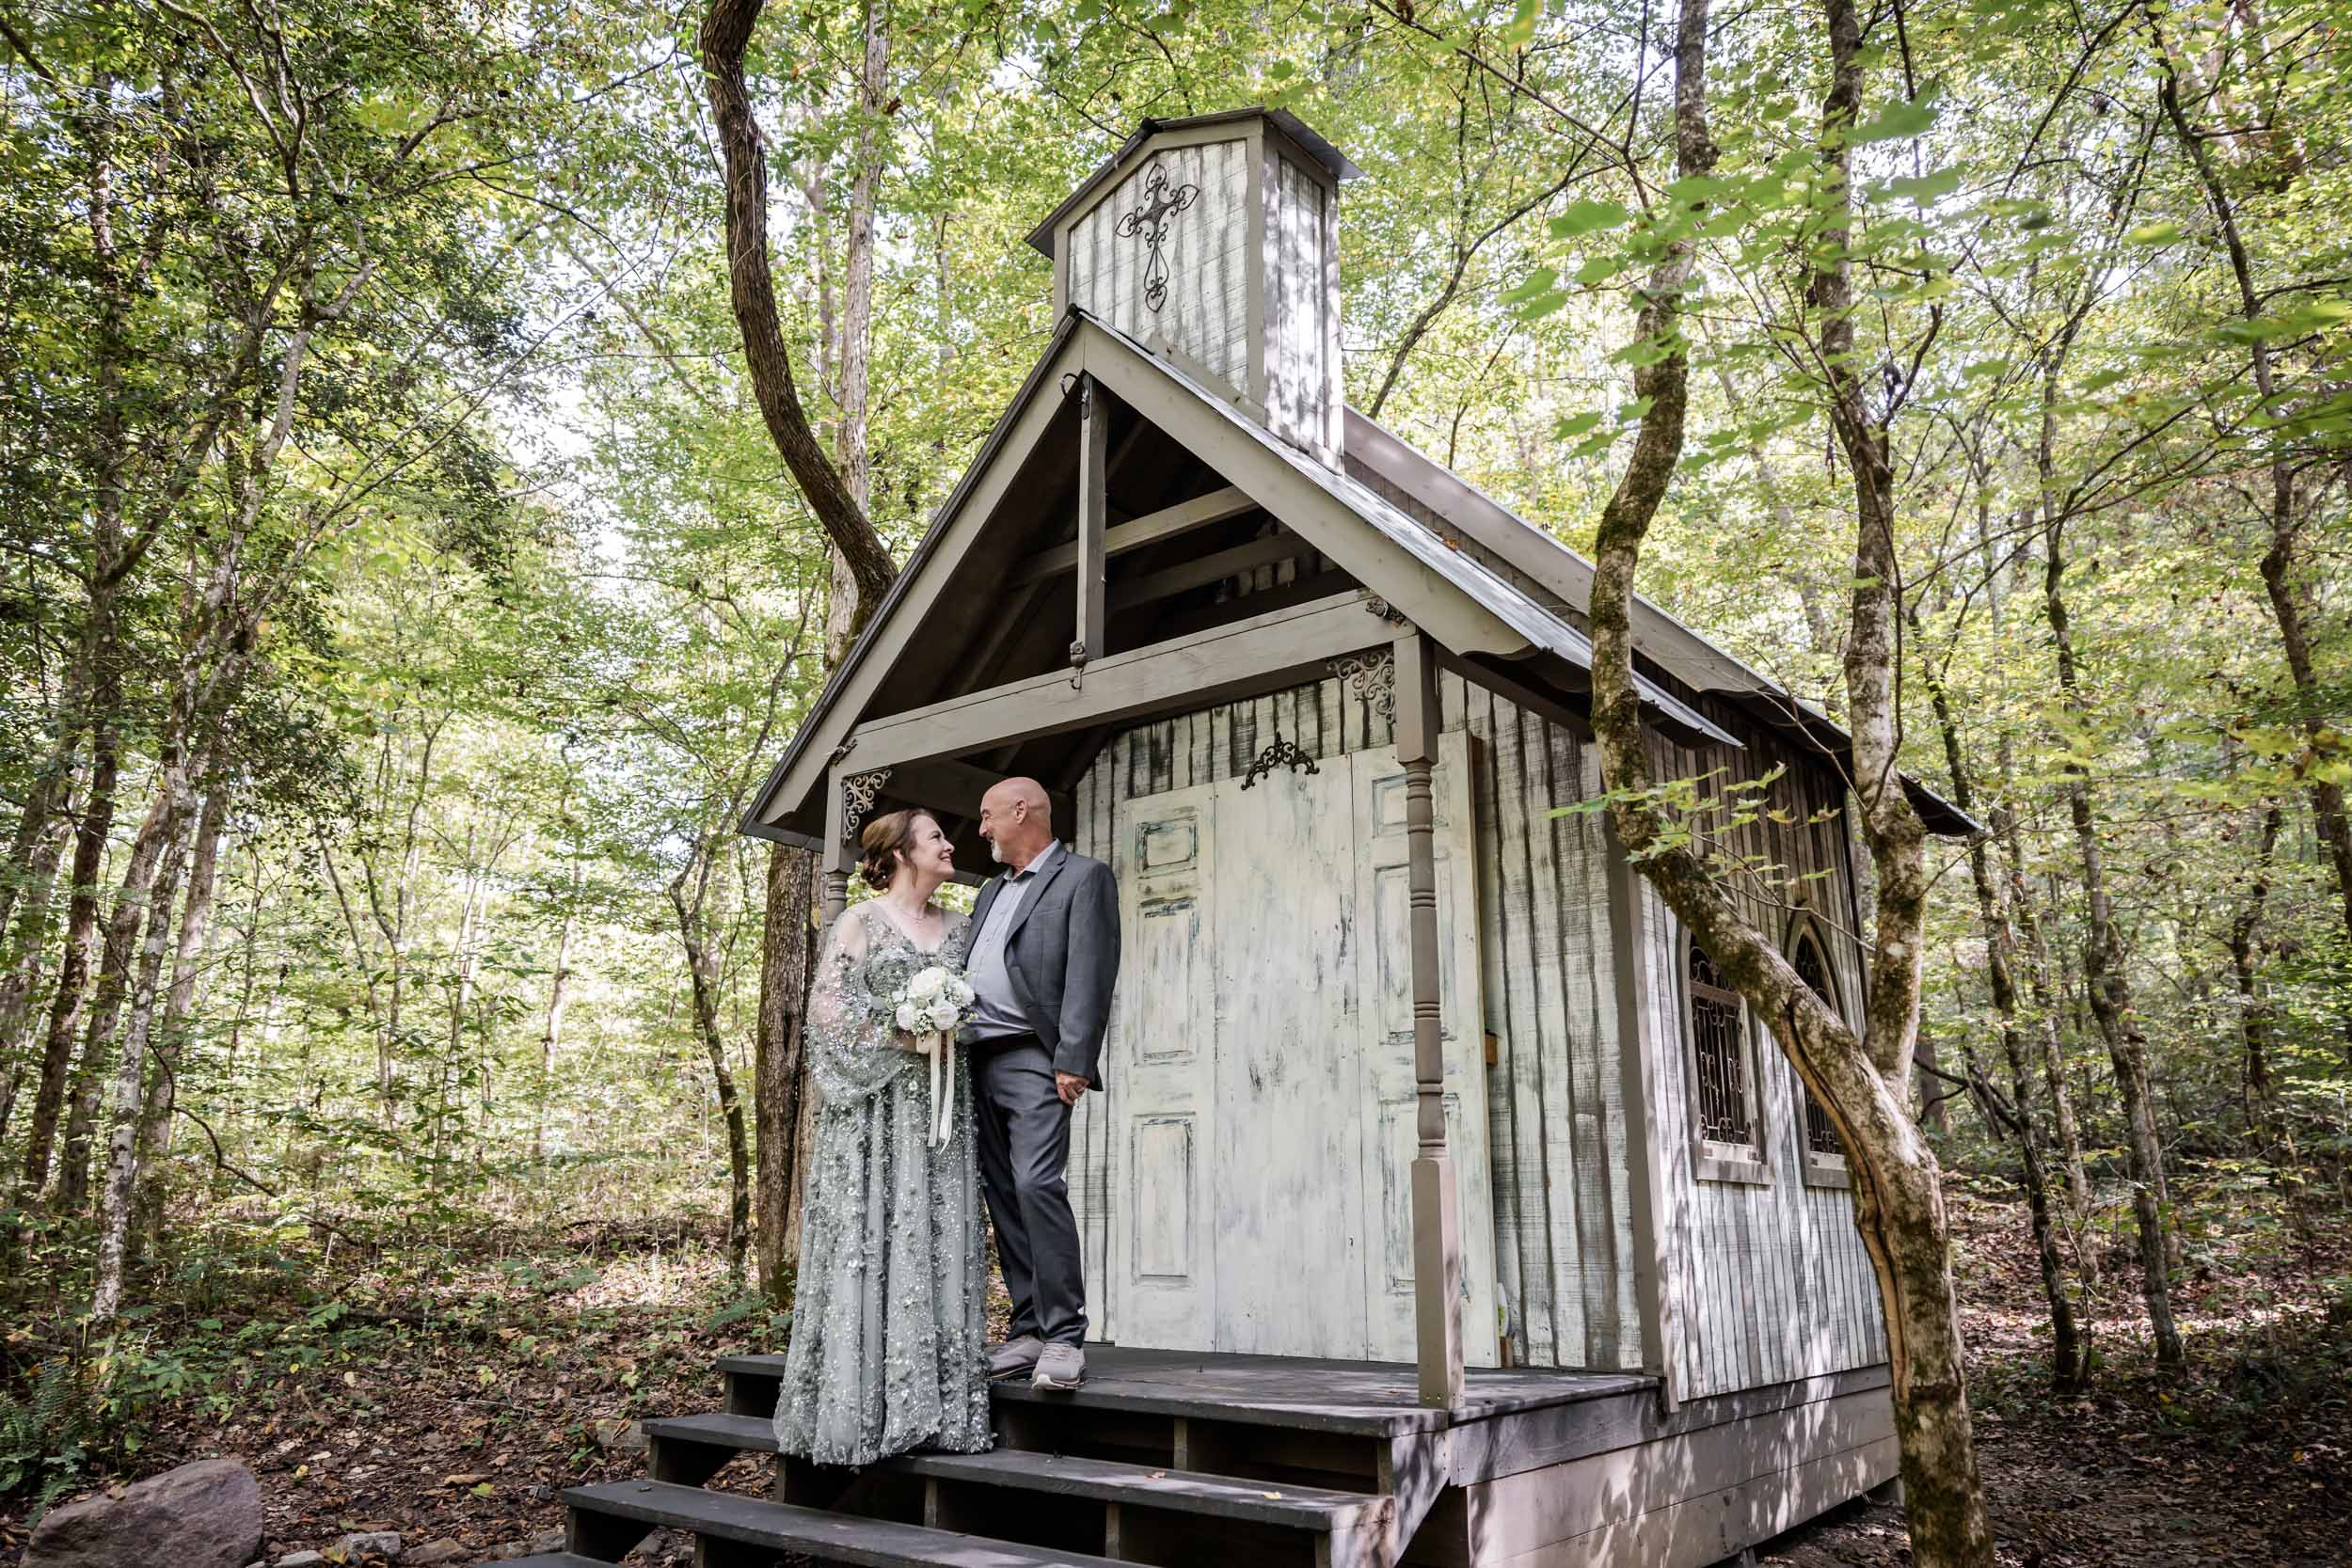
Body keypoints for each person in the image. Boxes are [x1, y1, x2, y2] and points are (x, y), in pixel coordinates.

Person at [771, 809, 992, 1466]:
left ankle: (941, 1408)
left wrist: (952, 1020)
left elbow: (986, 1005)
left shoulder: (962, 926)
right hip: (873, 1117)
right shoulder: (858, 922)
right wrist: (905, 1026)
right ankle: (864, 1407)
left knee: (938, 1236)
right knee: (872, 1241)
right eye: (934, 837)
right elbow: (827, 1014)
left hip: (943, 1114)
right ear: (898, 852)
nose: (950, 844)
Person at [965, 777, 1120, 1391]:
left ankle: (1063, 1336)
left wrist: (1074, 1055)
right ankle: (1027, 1327)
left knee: (1036, 1183)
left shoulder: (1083, 878)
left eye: (986, 816)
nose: (981, 829)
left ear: (1020, 809)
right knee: (1003, 1192)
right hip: (975, 1059)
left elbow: (1091, 968)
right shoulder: (988, 891)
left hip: (1036, 1055)